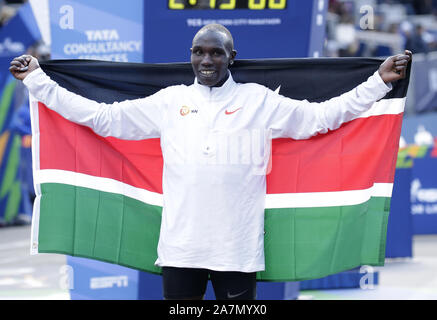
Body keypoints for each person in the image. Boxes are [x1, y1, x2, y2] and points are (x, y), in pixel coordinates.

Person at [10, 24, 412, 300]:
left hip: (236, 252)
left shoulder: (259, 100)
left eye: (215, 52)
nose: (206, 60)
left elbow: (322, 118)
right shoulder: (170, 102)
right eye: (199, 52)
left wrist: (378, 82)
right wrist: (39, 82)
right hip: (180, 250)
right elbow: (101, 118)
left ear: (231, 56)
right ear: (190, 56)